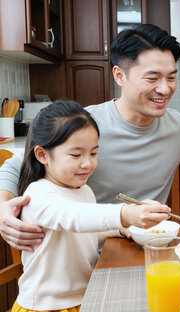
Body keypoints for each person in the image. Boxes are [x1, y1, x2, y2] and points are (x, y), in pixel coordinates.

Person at [0, 24, 180, 251]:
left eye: (171, 78)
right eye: (152, 78)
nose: (165, 89)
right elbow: (15, 164)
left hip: (146, 248)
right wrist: (3, 210)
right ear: (119, 75)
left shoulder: (177, 127)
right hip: (86, 255)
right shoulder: (84, 126)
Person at [13, 100, 170, 312]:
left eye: (93, 153)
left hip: (86, 298)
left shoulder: (83, 190)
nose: (88, 163)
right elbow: (73, 217)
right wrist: (125, 214)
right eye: (76, 155)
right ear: (42, 155)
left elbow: (83, 235)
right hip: (45, 307)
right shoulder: (38, 194)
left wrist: (120, 229)